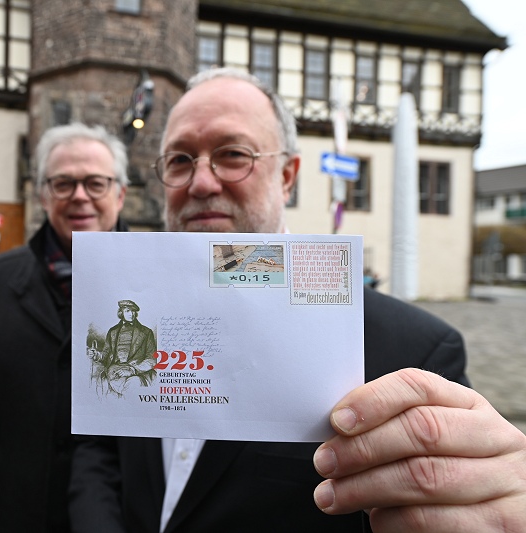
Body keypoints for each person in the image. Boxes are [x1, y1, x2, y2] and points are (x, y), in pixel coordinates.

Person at [68, 68, 526, 532]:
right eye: (180, 160)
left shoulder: (411, 351)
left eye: (233, 154)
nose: (201, 182)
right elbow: (101, 446)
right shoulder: (122, 302)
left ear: (287, 176)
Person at [0, 122, 129, 532]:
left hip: (119, 515)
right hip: (19, 514)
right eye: (63, 184)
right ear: (43, 196)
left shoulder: (159, 277)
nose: (79, 196)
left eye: (95, 183)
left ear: (120, 194)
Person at [92, 299, 157, 396]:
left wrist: (132, 370)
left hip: (138, 371)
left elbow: (152, 359)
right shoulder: (113, 331)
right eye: (127, 311)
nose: (131, 314)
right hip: (115, 371)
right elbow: (106, 354)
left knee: (133, 385)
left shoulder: (146, 332)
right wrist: (96, 355)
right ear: (121, 313)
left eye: (133, 311)